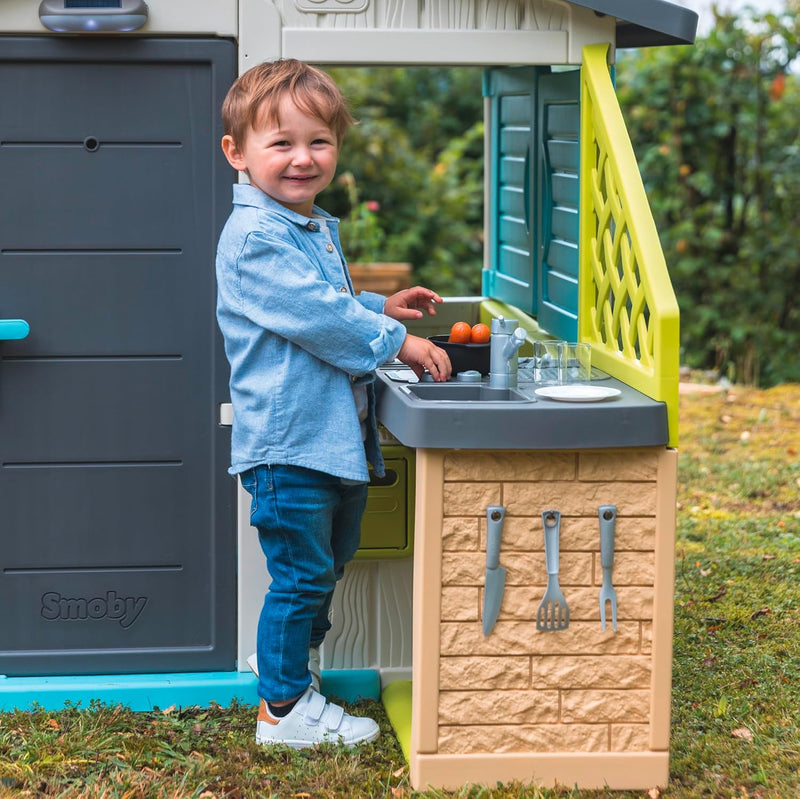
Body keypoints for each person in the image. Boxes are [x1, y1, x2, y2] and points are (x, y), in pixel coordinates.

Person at [215, 59, 452, 749]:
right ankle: (283, 711)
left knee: (324, 567)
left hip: (328, 440)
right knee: (302, 575)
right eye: (280, 143)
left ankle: (287, 670)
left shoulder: (304, 226)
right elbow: (318, 316)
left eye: (317, 142)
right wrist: (396, 338)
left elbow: (322, 300)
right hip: (290, 445)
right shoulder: (258, 235)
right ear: (238, 153)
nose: (301, 158)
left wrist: (379, 304)